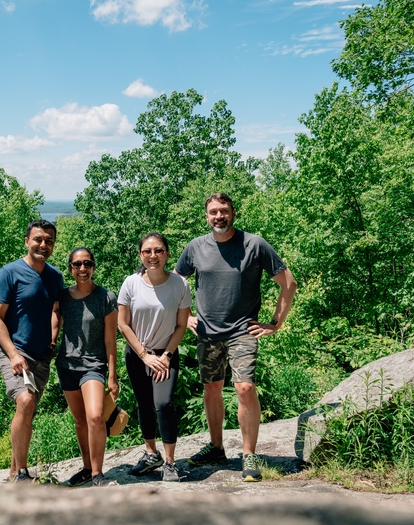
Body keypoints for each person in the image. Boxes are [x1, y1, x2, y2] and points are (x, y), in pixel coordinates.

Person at [175, 193, 297, 482]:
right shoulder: (195, 247)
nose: (219, 216)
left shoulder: (254, 244)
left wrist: (275, 323)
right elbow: (176, 282)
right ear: (206, 216)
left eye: (224, 211)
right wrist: (186, 315)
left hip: (243, 329)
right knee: (212, 388)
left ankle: (249, 454)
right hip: (207, 331)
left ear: (234, 213)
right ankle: (216, 447)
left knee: (244, 388)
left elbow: (289, 283)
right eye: (213, 212)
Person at [0, 219, 64, 482]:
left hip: (41, 355)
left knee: (28, 410)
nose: (43, 245)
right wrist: (13, 354)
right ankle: (22, 473)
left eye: (49, 241)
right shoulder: (9, 273)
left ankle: (13, 471)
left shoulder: (55, 276)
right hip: (14, 352)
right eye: (38, 239)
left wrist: (53, 342)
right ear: (27, 241)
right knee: (25, 401)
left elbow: (56, 311)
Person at [118, 232, 192, 482]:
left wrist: (167, 355)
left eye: (158, 250)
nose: (153, 256)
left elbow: (181, 325)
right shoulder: (131, 283)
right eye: (147, 251)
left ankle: (170, 463)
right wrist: (144, 355)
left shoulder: (179, 285)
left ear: (167, 253)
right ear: (141, 255)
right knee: (143, 404)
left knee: (163, 404)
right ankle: (151, 454)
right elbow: (123, 324)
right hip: (137, 354)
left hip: (166, 355)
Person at [56, 247, 119, 488]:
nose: (83, 269)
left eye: (87, 264)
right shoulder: (61, 297)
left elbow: (110, 339)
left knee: (95, 417)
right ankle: (86, 468)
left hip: (93, 366)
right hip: (66, 365)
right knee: (80, 420)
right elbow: (53, 323)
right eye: (77, 265)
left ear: (94, 267)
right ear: (71, 268)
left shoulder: (105, 297)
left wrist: (112, 376)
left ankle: (98, 474)